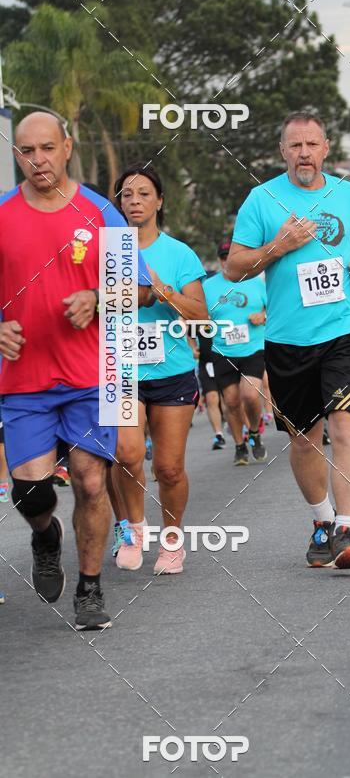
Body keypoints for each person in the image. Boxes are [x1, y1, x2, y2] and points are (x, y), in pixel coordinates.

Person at [0, 112, 152, 629]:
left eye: (47, 148)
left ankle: (89, 588)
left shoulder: (101, 212)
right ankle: (46, 535)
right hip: (24, 381)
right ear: (16, 154)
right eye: (26, 151)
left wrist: (96, 295)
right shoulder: (2, 214)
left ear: (67, 146)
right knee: (31, 493)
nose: (37, 160)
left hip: (95, 375)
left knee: (90, 482)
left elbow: (139, 290)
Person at [226, 111, 350, 569]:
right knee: (303, 440)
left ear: (326, 148)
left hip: (344, 330)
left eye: (312, 144)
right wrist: (281, 246)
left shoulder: (348, 193)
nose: (304, 153)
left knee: (346, 425)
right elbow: (234, 267)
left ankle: (348, 531)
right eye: (295, 146)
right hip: (288, 338)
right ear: (282, 152)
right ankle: (322, 522)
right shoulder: (262, 199)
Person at [110, 163, 207, 575]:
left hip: (172, 371)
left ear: (159, 201)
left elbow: (202, 317)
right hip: (120, 369)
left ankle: (171, 541)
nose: (135, 201)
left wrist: (164, 291)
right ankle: (133, 529)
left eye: (144, 194)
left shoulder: (178, 253)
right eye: (127, 195)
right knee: (126, 455)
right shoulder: (104, 249)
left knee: (168, 467)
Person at [203, 239, 268, 466]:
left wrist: (263, 315)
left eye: (229, 256)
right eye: (222, 257)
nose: (225, 261)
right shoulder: (208, 287)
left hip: (253, 348)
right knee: (230, 402)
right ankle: (240, 445)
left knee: (250, 395)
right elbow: (197, 314)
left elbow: (272, 306)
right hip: (222, 350)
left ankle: (254, 432)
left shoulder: (257, 282)